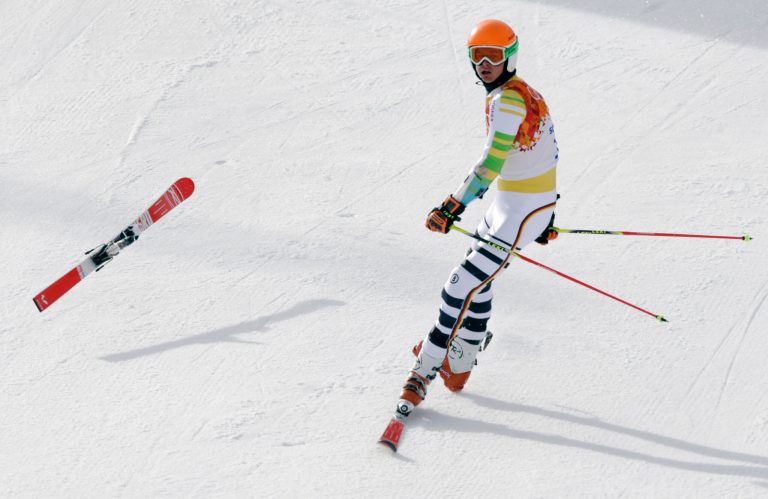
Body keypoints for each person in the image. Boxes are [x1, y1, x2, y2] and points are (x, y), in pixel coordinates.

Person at [394, 19, 560, 419]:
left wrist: (453, 204)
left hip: (520, 210)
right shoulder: (519, 92)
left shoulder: (508, 101)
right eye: (476, 56)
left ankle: (425, 370)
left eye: (493, 56)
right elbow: (547, 150)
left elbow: (489, 164)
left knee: (458, 285)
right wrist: (546, 210)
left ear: (510, 56)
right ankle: (460, 363)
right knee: (478, 283)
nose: (484, 64)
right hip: (517, 206)